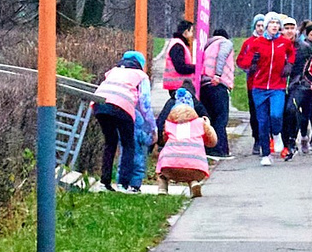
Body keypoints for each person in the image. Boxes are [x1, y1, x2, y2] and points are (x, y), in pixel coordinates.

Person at [90, 52, 159, 190]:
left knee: (110, 142)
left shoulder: (113, 71)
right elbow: (144, 103)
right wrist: (153, 127)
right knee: (128, 144)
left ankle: (105, 182)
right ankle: (123, 183)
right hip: (122, 106)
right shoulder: (141, 75)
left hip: (99, 104)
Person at [239, 15, 300, 160]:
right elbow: (242, 62)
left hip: (277, 86)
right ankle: (266, 154)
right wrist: (252, 63)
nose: (274, 25)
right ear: (266, 26)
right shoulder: (256, 42)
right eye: (271, 23)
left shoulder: (284, 42)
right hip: (259, 87)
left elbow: (292, 54)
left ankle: (276, 134)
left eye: (277, 23)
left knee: (276, 115)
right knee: (262, 121)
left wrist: (289, 65)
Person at [155, 92, 219, 196]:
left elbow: (165, 140)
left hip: (170, 164)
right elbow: (212, 142)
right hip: (195, 164)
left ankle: (162, 188)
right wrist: (208, 126)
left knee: (163, 173)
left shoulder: (169, 124)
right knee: (191, 172)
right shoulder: (200, 123)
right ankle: (194, 183)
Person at [199, 25, 237, 155]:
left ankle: (210, 148)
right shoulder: (225, 43)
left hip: (204, 85)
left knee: (210, 118)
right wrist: (218, 75)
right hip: (218, 84)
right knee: (221, 118)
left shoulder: (206, 46)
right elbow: (222, 56)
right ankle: (220, 149)